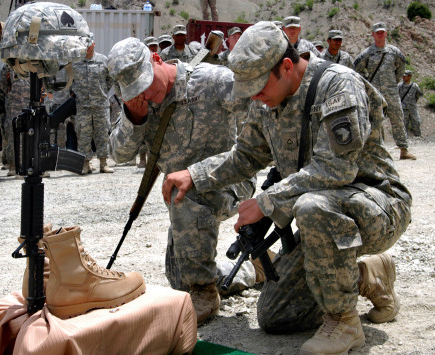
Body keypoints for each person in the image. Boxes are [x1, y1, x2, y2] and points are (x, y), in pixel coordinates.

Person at [162, 21, 412, 354]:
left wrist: (265, 202)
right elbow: (245, 156)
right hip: (323, 219)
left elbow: (335, 168)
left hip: (376, 204)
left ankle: (344, 322)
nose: (255, 95)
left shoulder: (338, 85)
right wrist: (194, 174)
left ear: (287, 66)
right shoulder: (265, 101)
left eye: (259, 85)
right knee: (275, 316)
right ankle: (366, 275)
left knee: (312, 205)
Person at [107, 37, 257, 325]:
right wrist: (135, 117)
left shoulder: (212, 81)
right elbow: (119, 155)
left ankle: (205, 293)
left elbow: (263, 114)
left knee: (194, 280)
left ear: (157, 59)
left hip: (227, 180)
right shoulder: (140, 103)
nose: (147, 94)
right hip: (183, 198)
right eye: (137, 90)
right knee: (179, 281)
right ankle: (254, 270)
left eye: (147, 83)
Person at [354, 22, 416, 160]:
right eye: (377, 32)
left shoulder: (394, 52)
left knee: (398, 118)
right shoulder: (367, 54)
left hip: (392, 92)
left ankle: (404, 150)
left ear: (386, 33)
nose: (380, 34)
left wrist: (393, 82)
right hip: (375, 94)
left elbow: (401, 68)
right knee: (376, 122)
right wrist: (367, 83)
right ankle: (378, 152)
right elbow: (356, 70)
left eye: (382, 32)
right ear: (373, 34)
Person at [71, 35, 114, 174]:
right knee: (83, 135)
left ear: (94, 44)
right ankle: (85, 164)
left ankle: (103, 163)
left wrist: (102, 92)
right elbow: (70, 82)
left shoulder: (103, 60)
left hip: (100, 104)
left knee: (102, 134)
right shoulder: (75, 62)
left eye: (89, 44)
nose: (87, 47)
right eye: (85, 45)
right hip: (82, 106)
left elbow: (110, 79)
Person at [0, 63, 30, 176]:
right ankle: (13, 165)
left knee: (30, 135)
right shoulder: (7, 68)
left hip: (30, 106)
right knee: (12, 137)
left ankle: (29, 164)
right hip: (12, 107)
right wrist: (9, 98)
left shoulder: (33, 65)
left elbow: (42, 85)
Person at [398, 70, 423, 137]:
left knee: (416, 122)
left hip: (413, 108)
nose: (403, 77)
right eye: (403, 76)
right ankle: (405, 140)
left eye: (405, 76)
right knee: (403, 124)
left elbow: (418, 95)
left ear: (410, 77)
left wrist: (413, 103)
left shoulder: (415, 86)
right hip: (403, 109)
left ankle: (418, 138)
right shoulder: (399, 86)